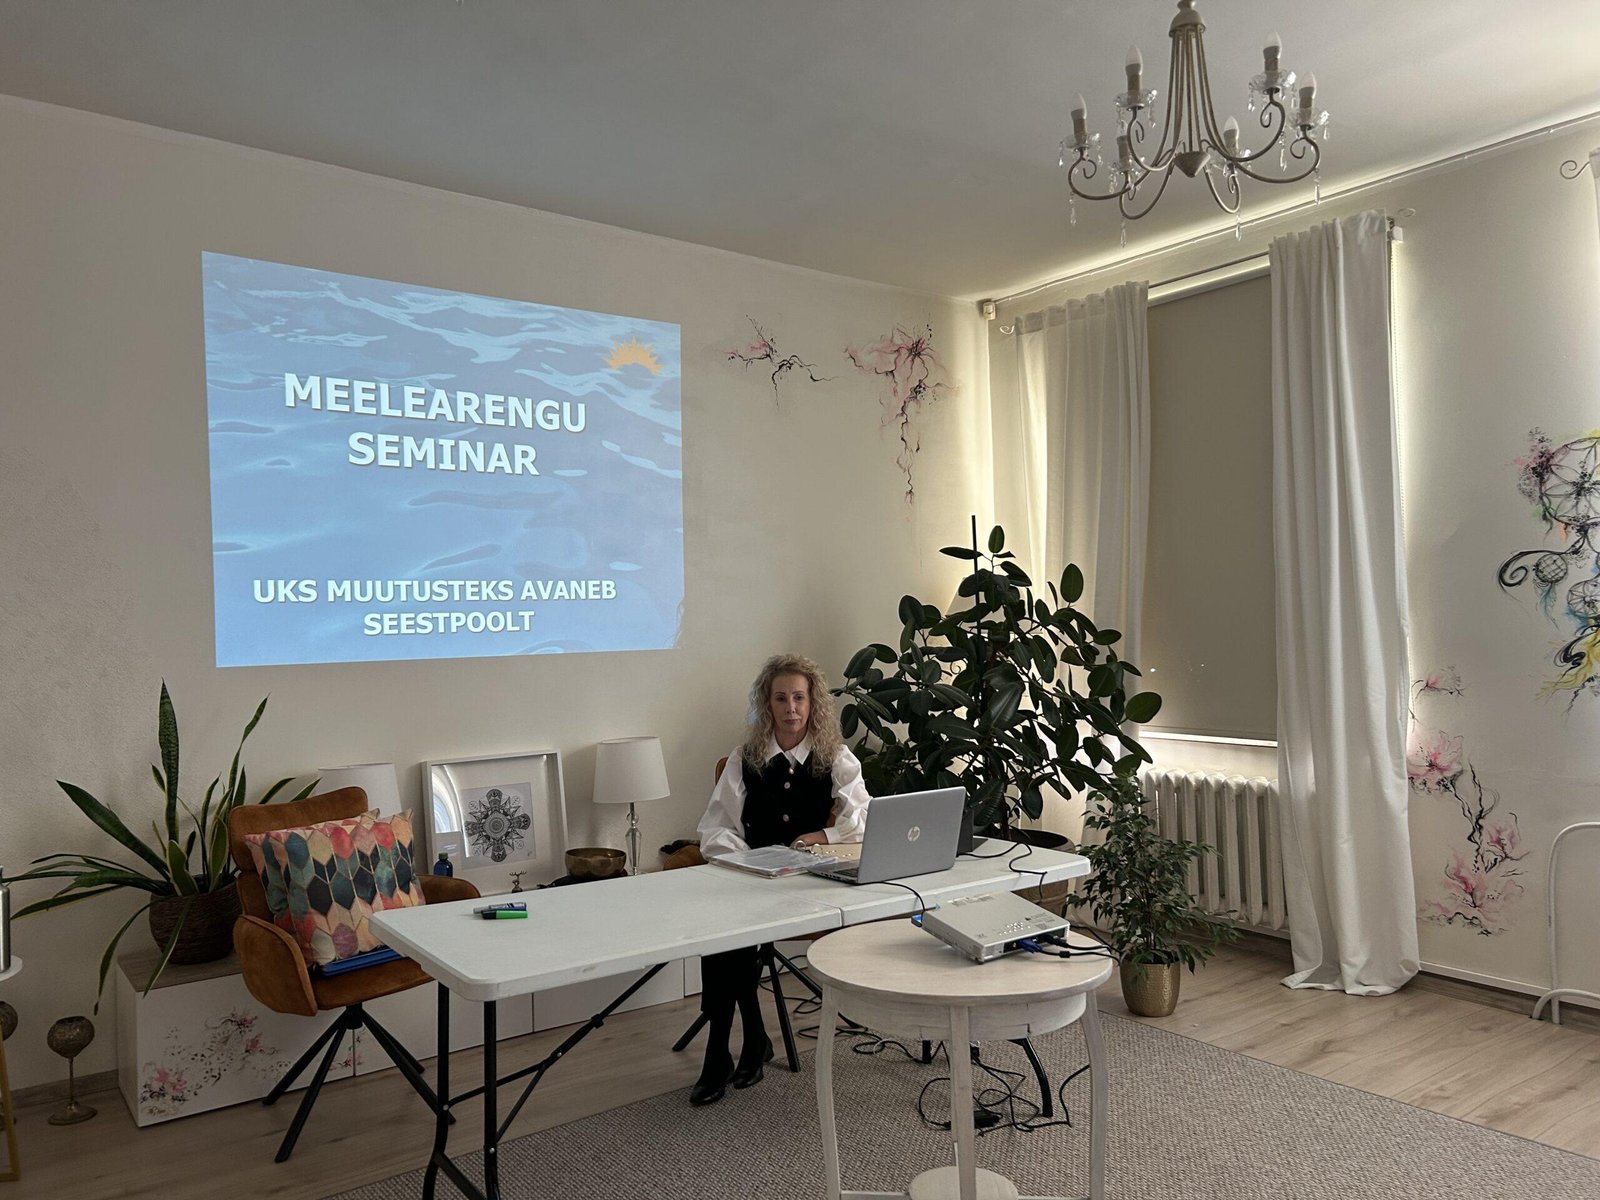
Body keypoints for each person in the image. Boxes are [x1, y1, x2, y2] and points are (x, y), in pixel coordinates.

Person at [690, 652, 870, 1106]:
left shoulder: (835, 757)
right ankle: (733, 1044)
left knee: (728, 935)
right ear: (767, 704)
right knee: (723, 931)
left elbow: (863, 818)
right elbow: (716, 829)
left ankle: (730, 1049)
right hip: (751, 878)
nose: (791, 708)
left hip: (807, 884)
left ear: (813, 703)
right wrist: (746, 862)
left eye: (799, 698)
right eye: (780, 698)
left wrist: (823, 835)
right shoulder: (744, 758)